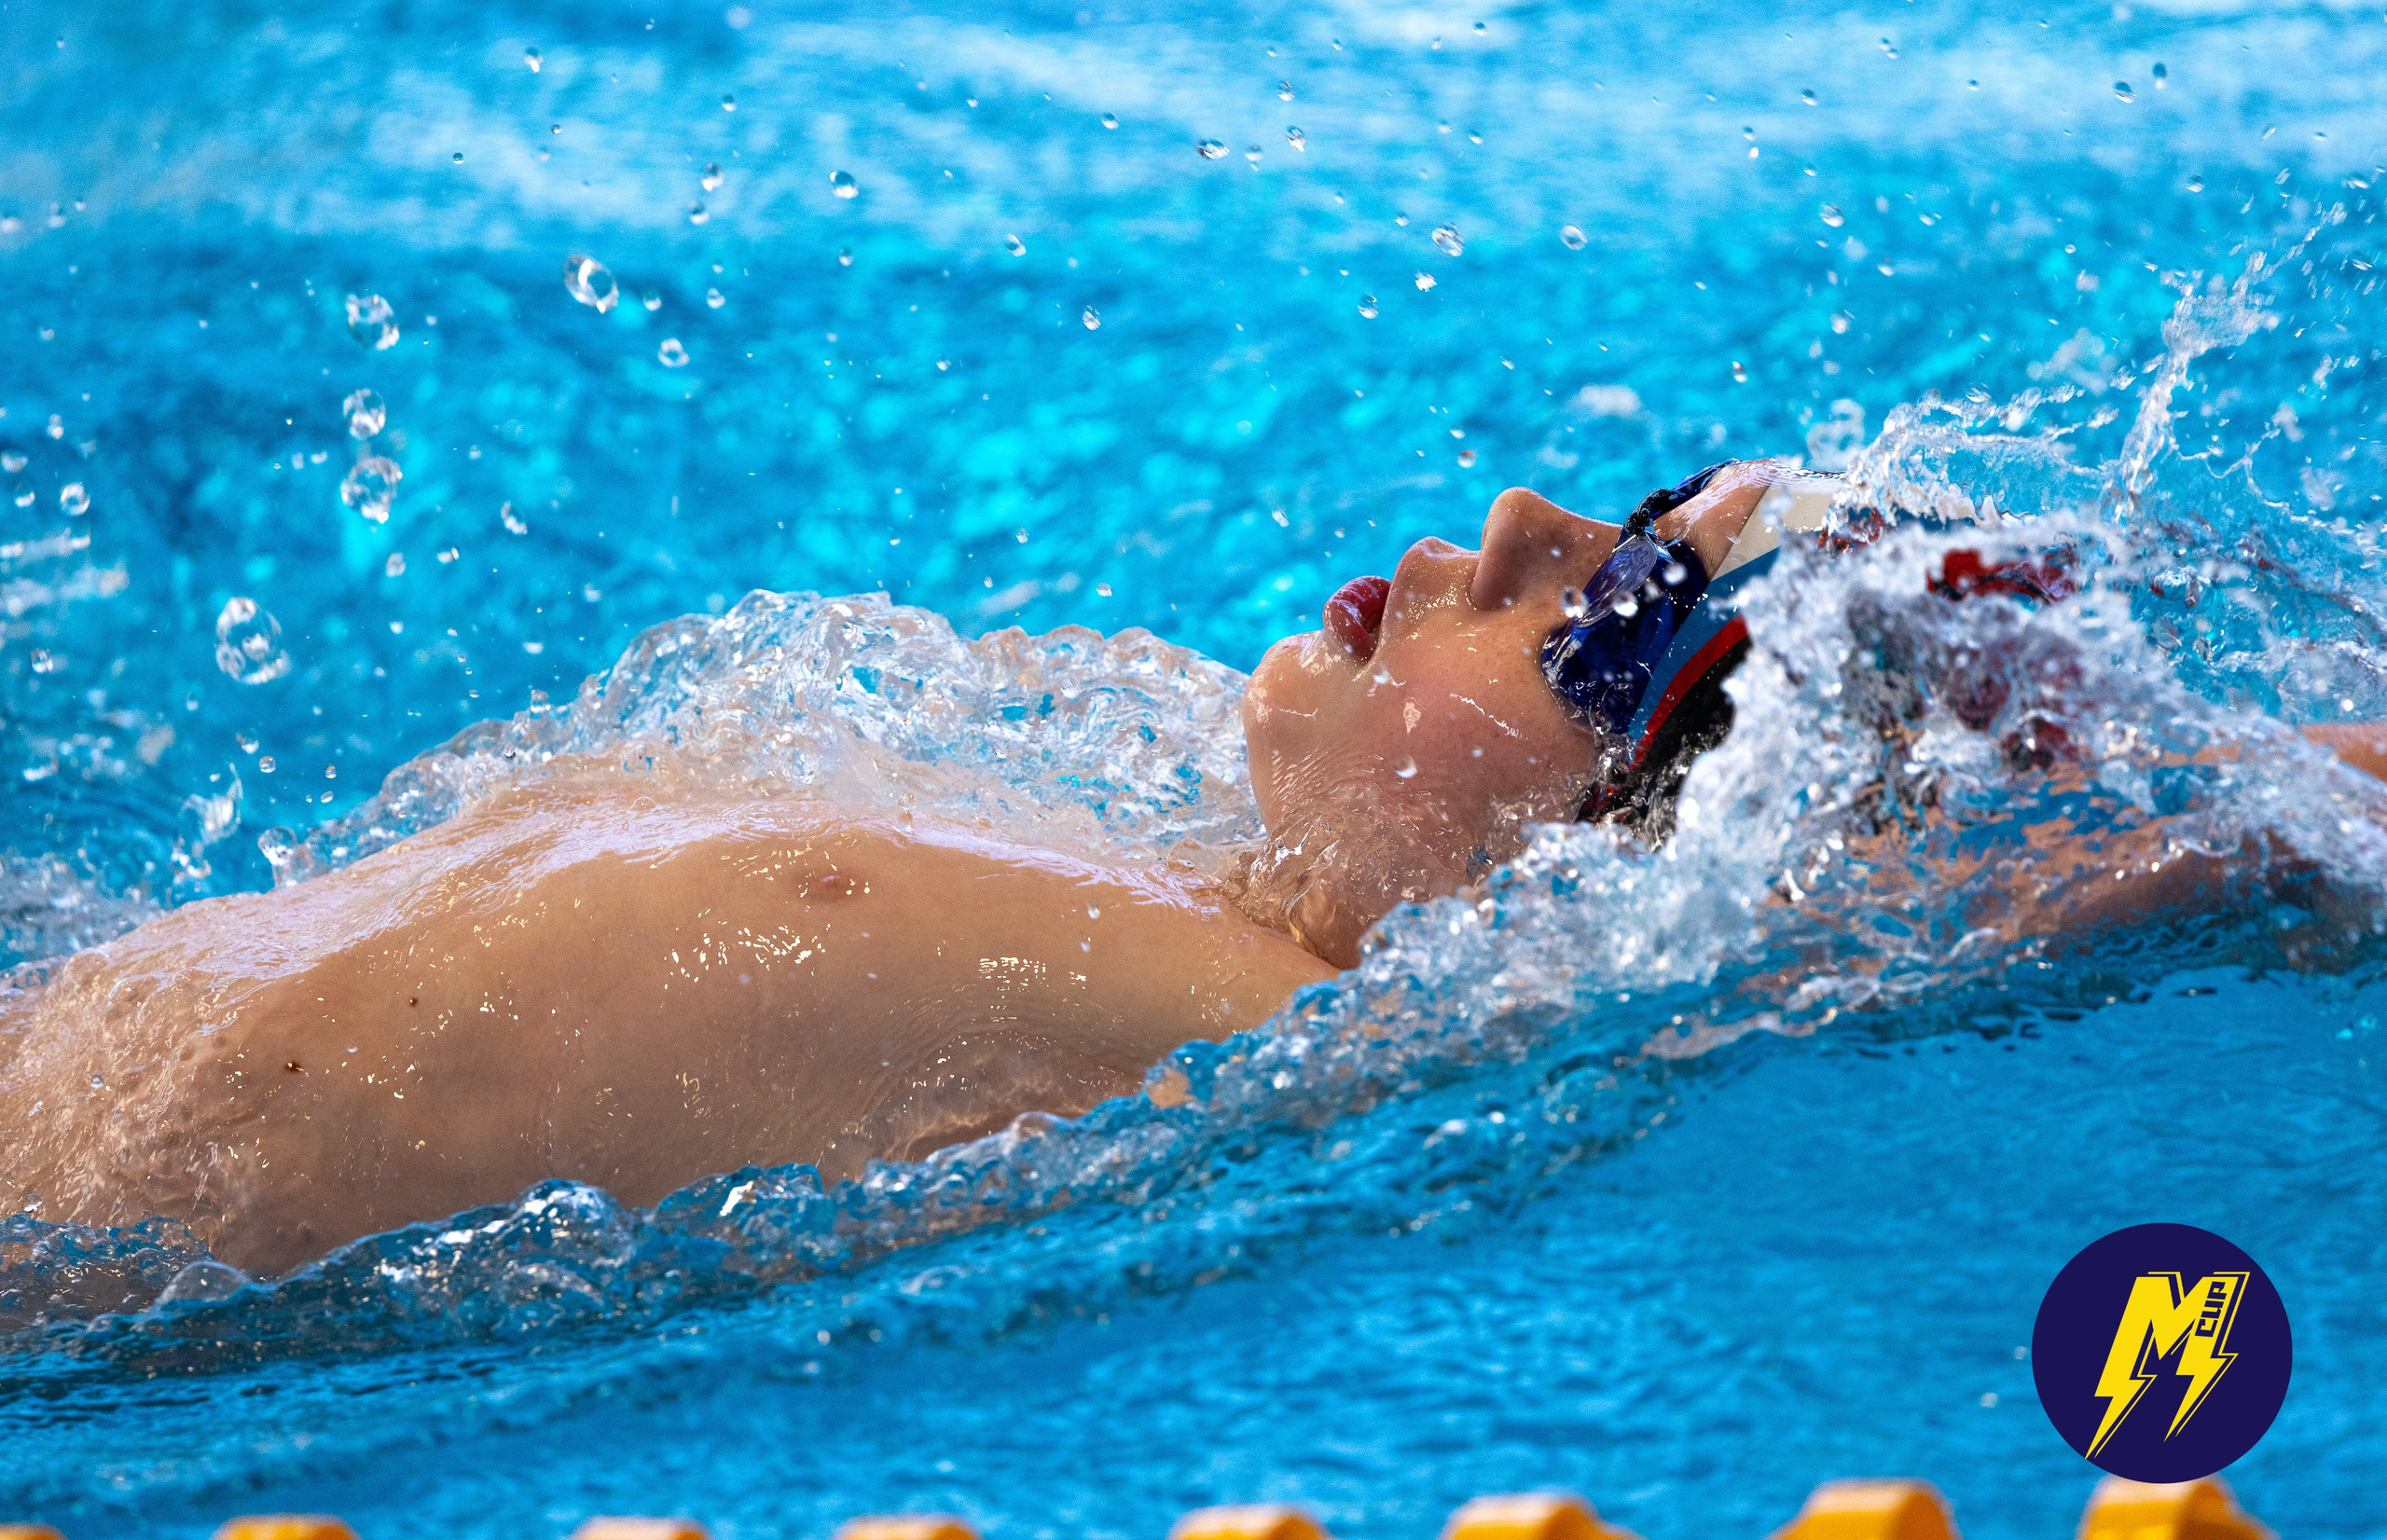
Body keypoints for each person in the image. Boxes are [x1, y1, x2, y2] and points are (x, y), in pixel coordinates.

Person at [3, 461, 2380, 1274]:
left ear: (1640, 863)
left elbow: (1899, 931)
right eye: (1633, 500)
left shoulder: (1311, 1031)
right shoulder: (1108, 807)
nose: (1534, 521)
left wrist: (2213, 823)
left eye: (1627, 610)